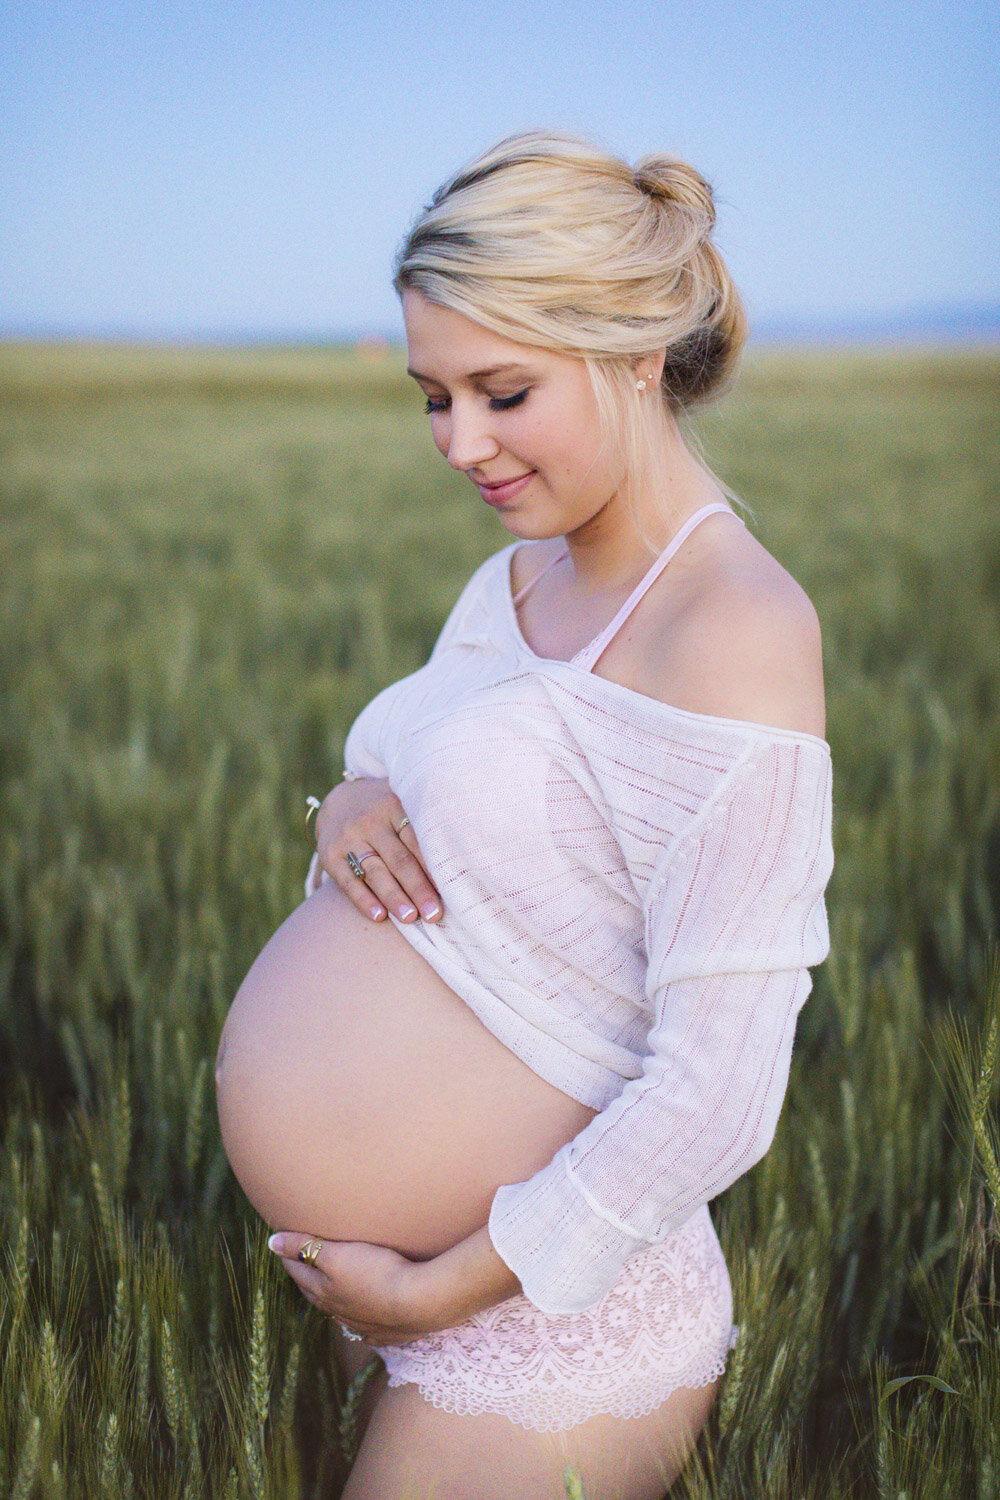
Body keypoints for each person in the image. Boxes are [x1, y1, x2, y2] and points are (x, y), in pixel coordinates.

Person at [226, 131, 834, 1499]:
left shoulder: (731, 622)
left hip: (548, 1319)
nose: (460, 444)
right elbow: (456, 780)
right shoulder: (517, 580)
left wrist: (445, 1292)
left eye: (502, 391)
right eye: (431, 397)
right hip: (383, 1290)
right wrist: (351, 802)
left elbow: (721, 1091)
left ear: (633, 354)